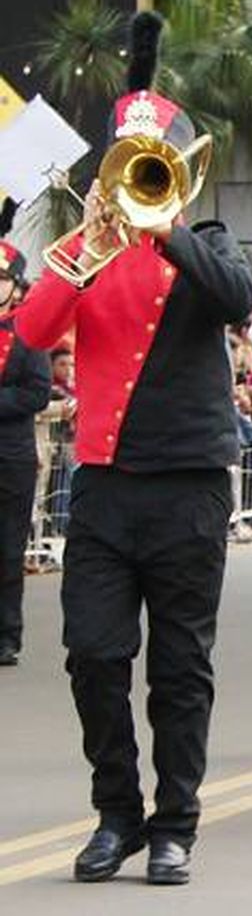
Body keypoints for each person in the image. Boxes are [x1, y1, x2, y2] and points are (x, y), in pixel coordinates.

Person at [15, 12, 252, 885]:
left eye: (148, 167)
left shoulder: (205, 245)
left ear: (178, 170)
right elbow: (34, 332)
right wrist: (83, 244)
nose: (132, 182)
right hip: (109, 489)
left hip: (189, 484)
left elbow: (236, 297)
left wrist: (163, 230)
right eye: (124, 166)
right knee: (93, 654)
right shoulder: (87, 249)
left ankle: (175, 822)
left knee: (181, 664)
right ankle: (116, 810)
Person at [0, 244, 52, 666]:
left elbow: (36, 392)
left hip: (9, 456)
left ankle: (6, 634)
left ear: (14, 286)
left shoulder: (28, 330)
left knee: (7, 547)